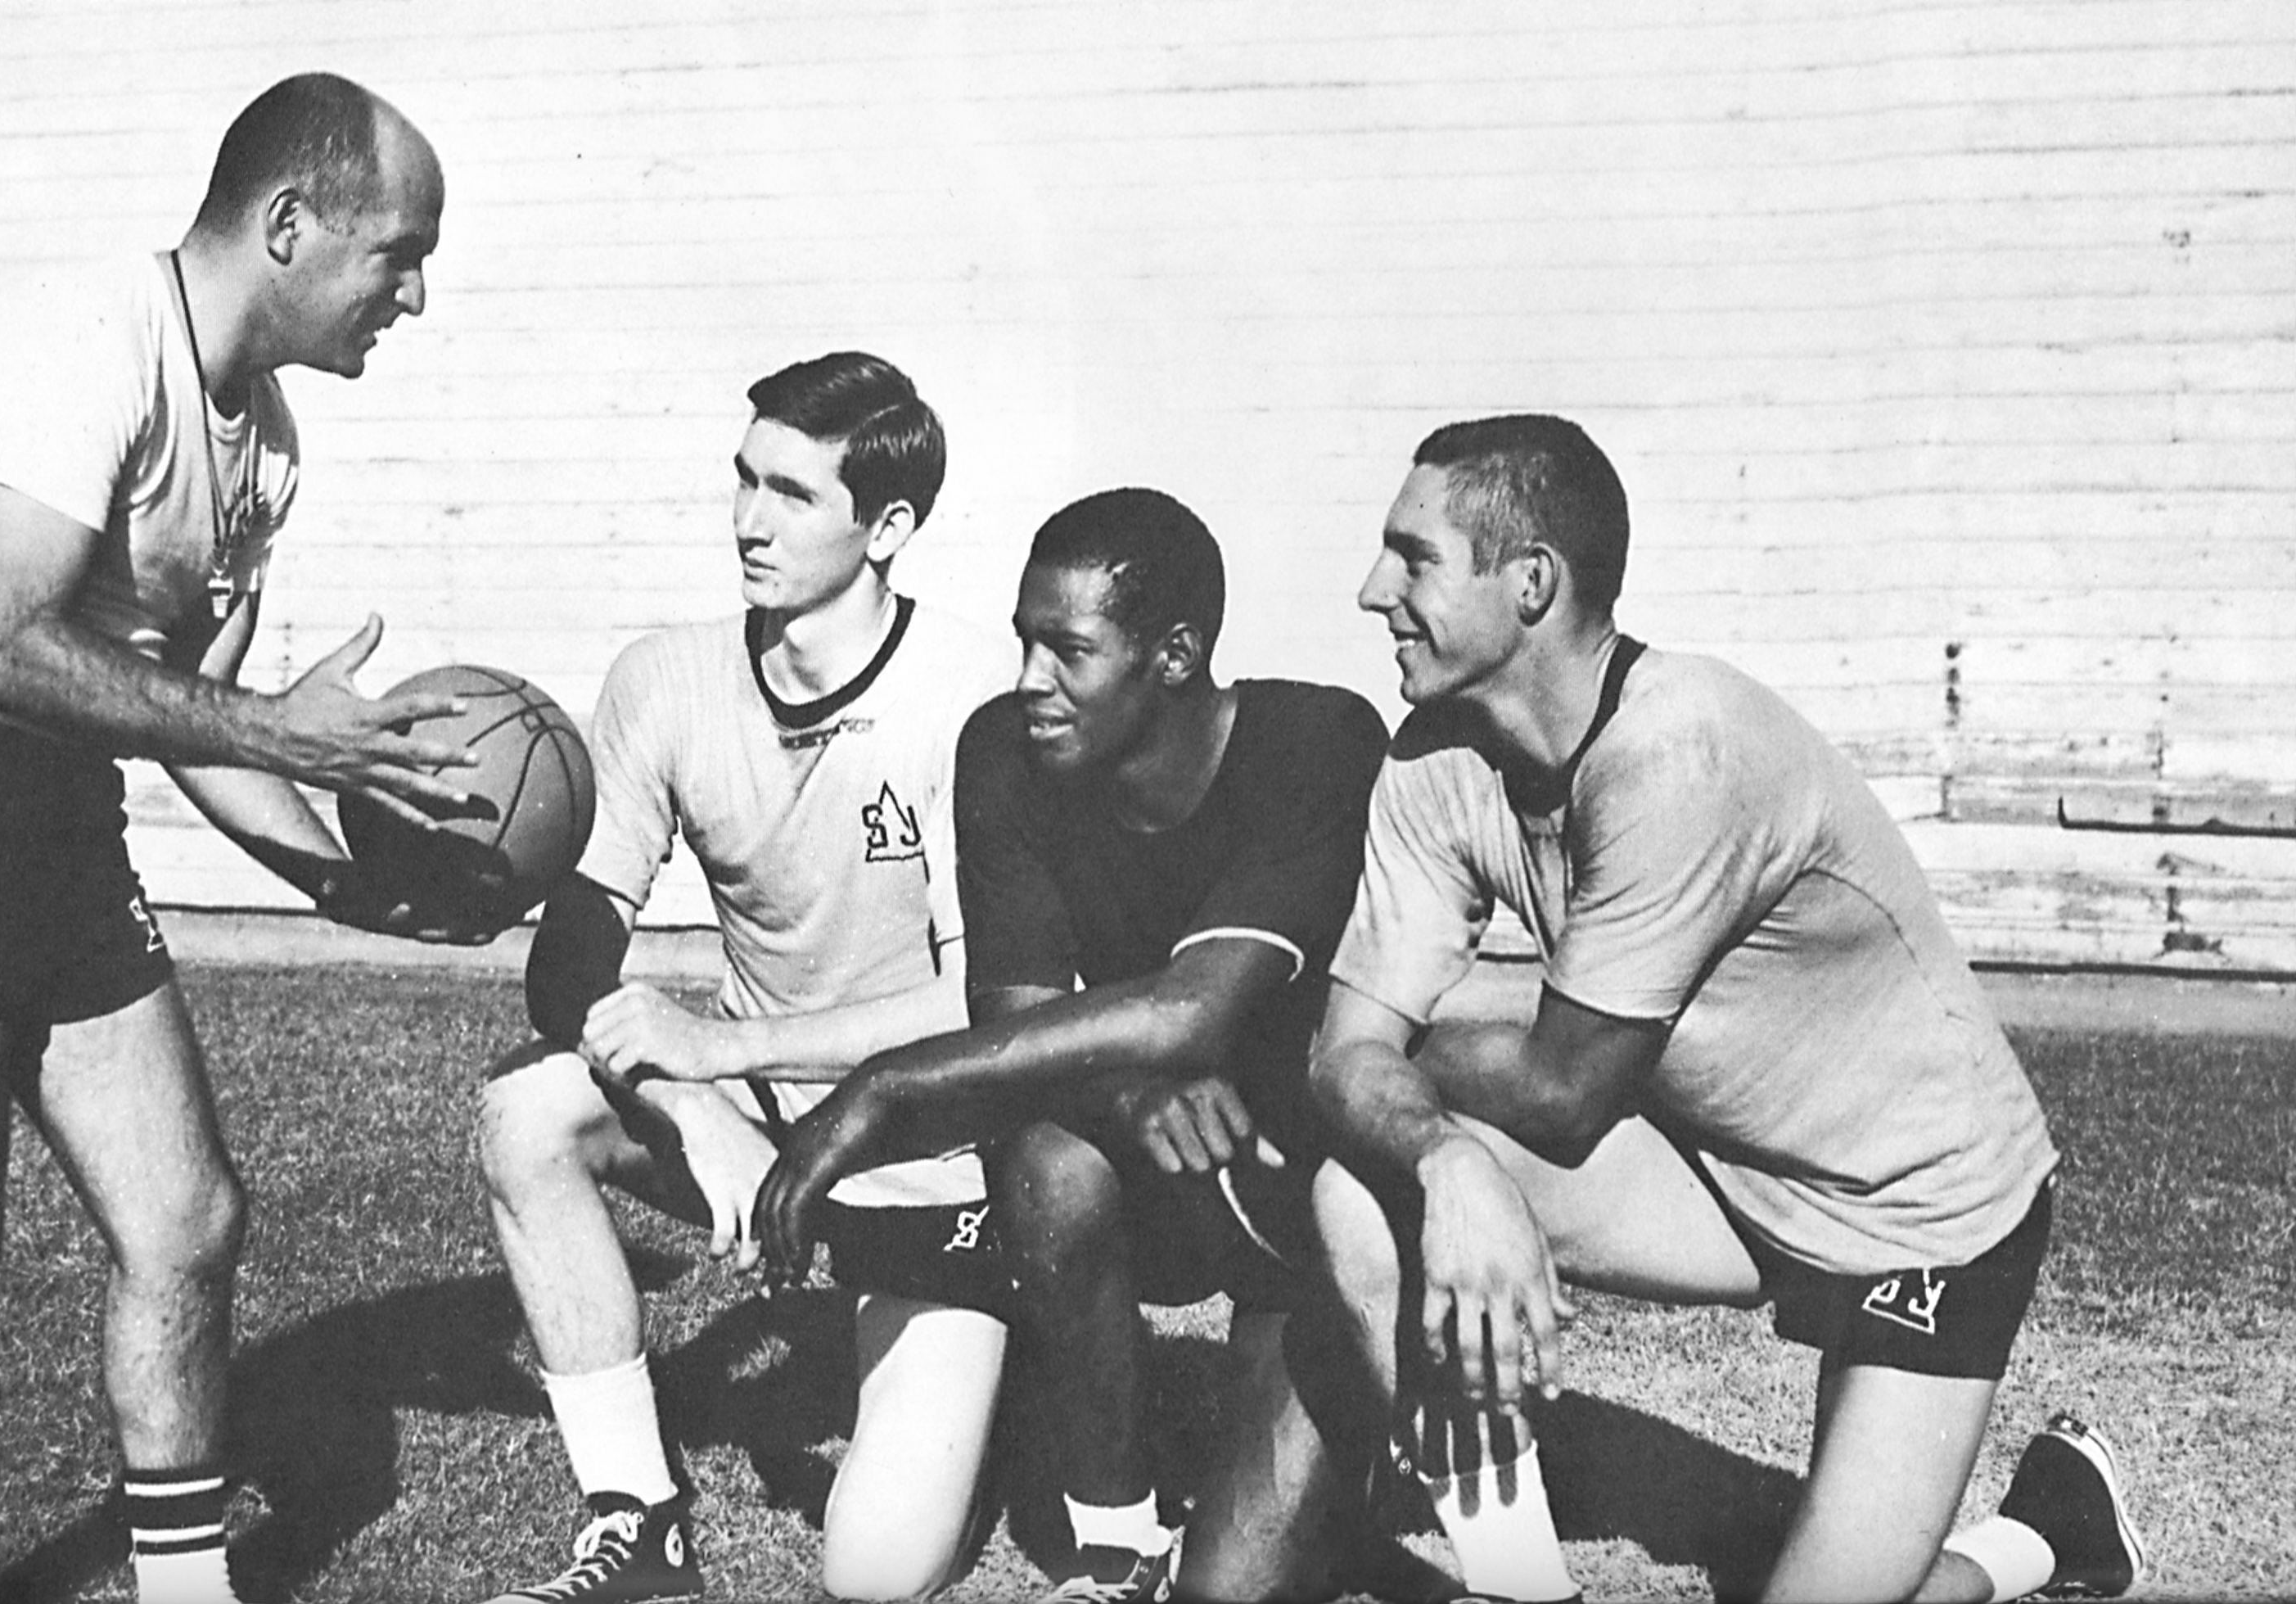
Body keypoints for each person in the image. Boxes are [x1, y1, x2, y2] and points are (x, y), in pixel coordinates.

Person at [0, 74, 485, 1604]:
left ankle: (183, 1586)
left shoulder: (272, 445)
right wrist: (278, 735)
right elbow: (12, 649)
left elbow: (189, 718)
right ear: (292, 227)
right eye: (399, 254)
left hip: (52, 808)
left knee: (187, 1215)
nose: (416, 296)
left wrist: (343, 879)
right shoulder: (83, 336)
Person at [1307, 413, 2146, 1602]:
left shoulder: (1682, 746)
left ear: (1531, 584)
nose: (1371, 590)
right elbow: (1344, 1058)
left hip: (1924, 1207)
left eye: (1415, 557)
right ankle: (1521, 1587)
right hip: (1721, 1171)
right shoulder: (1431, 763)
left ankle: (2050, 1531)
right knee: (1364, 1184)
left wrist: (1426, 1075)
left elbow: (1562, 1089)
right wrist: (1445, 1160)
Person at [755, 487, 1402, 1603]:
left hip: (1317, 1218)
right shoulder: (1008, 753)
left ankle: (1368, 1461)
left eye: (1068, 650)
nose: (1028, 681)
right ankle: (1116, 1544)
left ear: (1175, 655)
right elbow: (1016, 1022)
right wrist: (1118, 1091)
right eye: (1023, 642)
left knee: (1235, 1593)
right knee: (1049, 1161)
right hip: (1168, 1166)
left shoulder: (1317, 740)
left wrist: (883, 1084)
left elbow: (1198, 1008)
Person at [471, 351, 1016, 1604]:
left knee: (877, 1570)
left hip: (938, 1145)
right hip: (764, 1125)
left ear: (890, 529)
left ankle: (999, 1380)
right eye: (742, 479)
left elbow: (980, 1000)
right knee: (526, 1112)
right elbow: (571, 966)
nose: (748, 521)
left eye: (791, 494)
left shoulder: (969, 695)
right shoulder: (667, 679)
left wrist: (722, 1053)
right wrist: (694, 1106)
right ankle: (636, 1517)